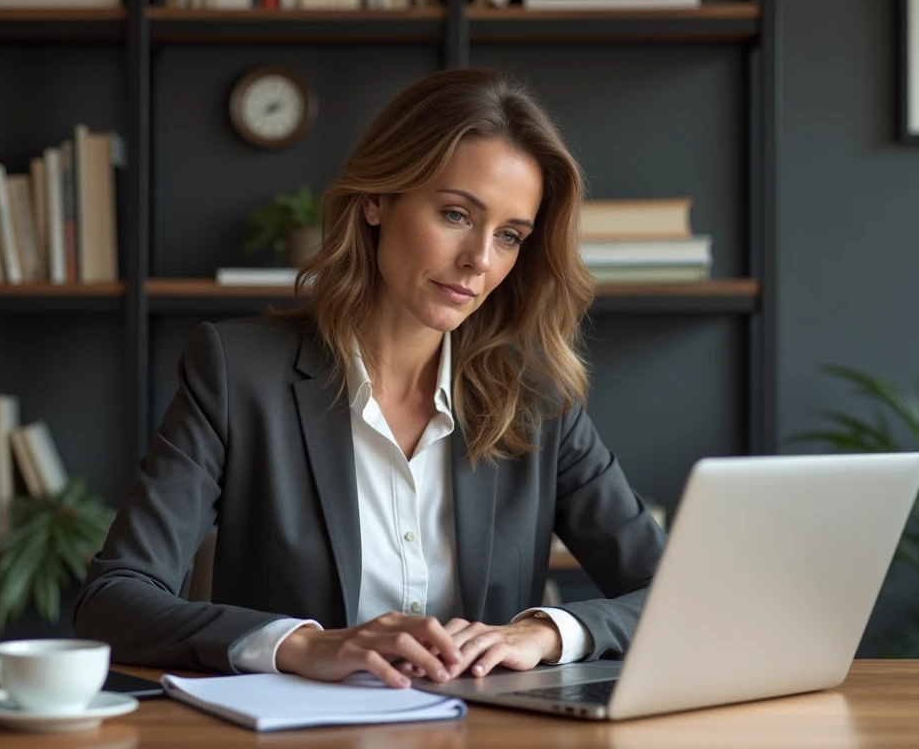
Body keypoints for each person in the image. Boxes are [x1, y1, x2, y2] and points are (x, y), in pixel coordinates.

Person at [73, 67, 666, 689]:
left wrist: (545, 633)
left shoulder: (537, 402)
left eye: (511, 236)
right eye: (457, 215)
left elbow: (673, 591)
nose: (481, 261)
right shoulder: (237, 372)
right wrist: (303, 645)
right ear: (376, 200)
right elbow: (113, 599)